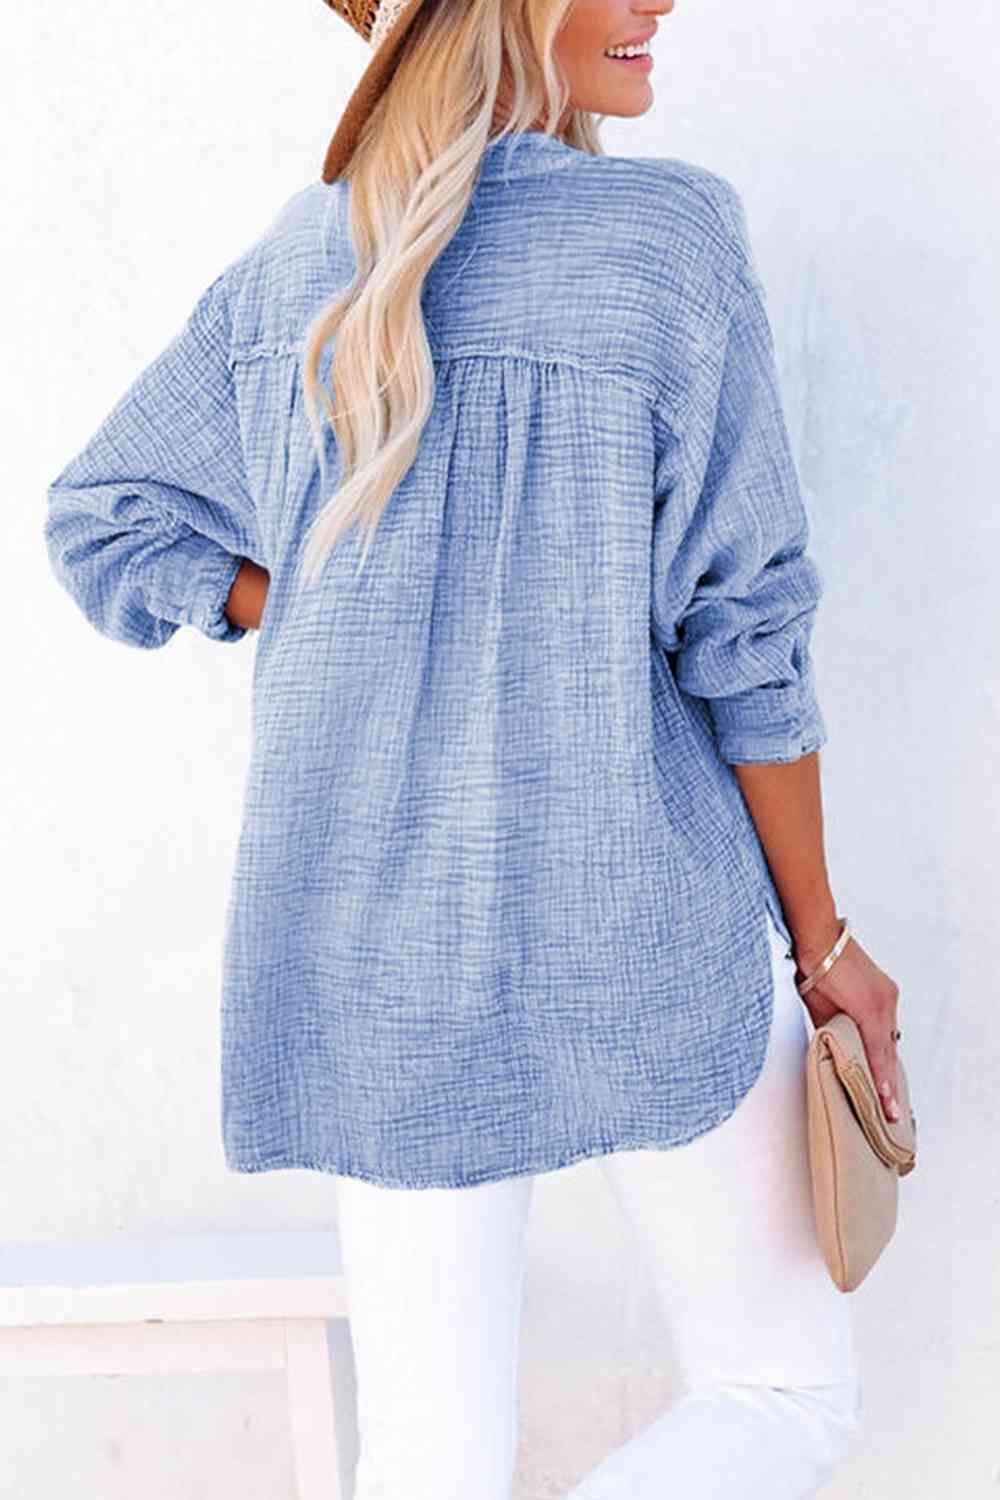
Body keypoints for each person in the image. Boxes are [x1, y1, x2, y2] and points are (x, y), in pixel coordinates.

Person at [44, 0, 905, 1494]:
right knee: (779, 1395)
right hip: (645, 925)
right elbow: (747, 636)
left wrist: (312, 604)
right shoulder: (666, 248)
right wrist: (825, 945)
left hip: (377, 957)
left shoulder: (299, 267)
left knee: (430, 1459)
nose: (660, 1)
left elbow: (104, 517)